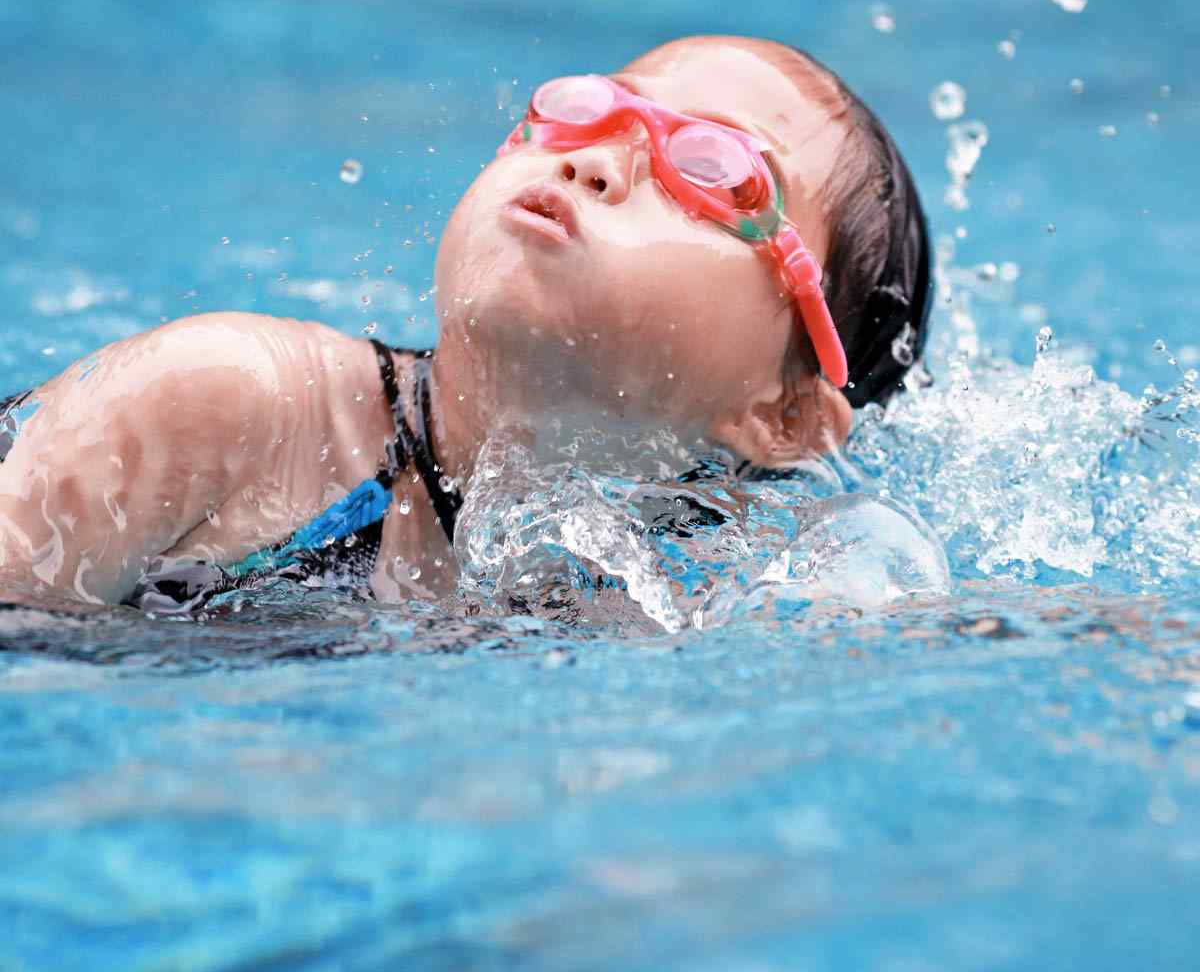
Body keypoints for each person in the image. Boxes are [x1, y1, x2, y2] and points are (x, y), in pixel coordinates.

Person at [0, 35, 930, 609]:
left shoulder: (661, 607)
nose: (598, 163)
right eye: (594, 110)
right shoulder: (230, 401)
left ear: (785, 417)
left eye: (717, 167)